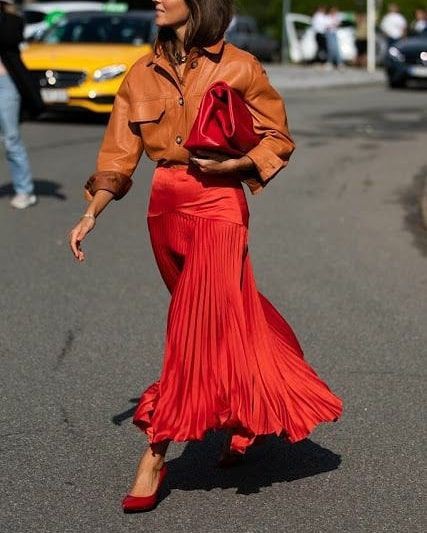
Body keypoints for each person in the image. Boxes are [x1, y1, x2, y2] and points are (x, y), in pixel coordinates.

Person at [69, 0, 343, 512]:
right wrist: (92, 213)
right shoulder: (140, 72)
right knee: (228, 320)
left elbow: (278, 137)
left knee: (193, 328)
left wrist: (237, 163)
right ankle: (247, 412)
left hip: (218, 206)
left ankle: (154, 454)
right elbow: (118, 154)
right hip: (164, 209)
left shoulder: (240, 64)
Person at [0, 0, 43, 209]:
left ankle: (24, 190)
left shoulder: (12, 20)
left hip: (5, 84)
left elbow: (9, 38)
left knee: (11, 138)